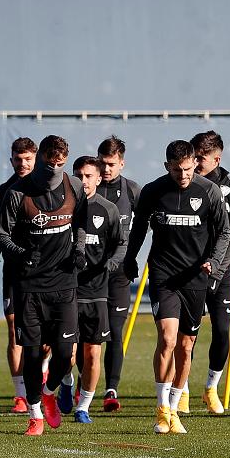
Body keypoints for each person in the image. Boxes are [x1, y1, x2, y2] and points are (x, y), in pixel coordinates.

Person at [124, 140, 230, 435]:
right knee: (168, 339)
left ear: (195, 163)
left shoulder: (209, 191)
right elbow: (139, 228)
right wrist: (130, 259)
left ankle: (174, 407)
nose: (182, 175)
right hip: (164, 275)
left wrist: (214, 260)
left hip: (195, 278)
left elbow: (224, 231)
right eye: (176, 169)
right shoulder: (153, 191)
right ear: (166, 166)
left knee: (186, 346)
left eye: (187, 169)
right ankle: (160, 410)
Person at [0, 135, 86, 435]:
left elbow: (82, 220)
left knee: (64, 354)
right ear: (40, 160)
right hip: (29, 288)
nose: (55, 169)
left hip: (64, 284)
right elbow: (2, 236)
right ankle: (34, 414)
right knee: (32, 354)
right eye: (50, 164)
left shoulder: (73, 186)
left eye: (60, 164)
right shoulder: (17, 193)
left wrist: (80, 249)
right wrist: (23, 255)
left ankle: (49, 392)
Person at [186, 131, 230, 415]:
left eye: (200, 158)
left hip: (221, 274)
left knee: (223, 332)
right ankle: (181, 388)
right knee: (187, 335)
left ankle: (211, 387)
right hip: (189, 273)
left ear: (216, 159)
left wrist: (218, 269)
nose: (195, 162)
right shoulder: (186, 183)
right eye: (193, 156)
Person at [71, 156, 127, 423]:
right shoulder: (63, 205)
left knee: (93, 352)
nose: (83, 181)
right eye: (79, 175)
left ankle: (83, 406)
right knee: (66, 352)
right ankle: (66, 384)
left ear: (98, 178)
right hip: (67, 290)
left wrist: (113, 262)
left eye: (88, 176)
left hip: (96, 291)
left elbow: (121, 242)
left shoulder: (108, 209)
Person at [94, 136, 141, 413]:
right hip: (90, 273)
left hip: (120, 273)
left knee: (114, 330)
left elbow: (143, 224)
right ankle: (79, 386)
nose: (107, 169)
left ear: (121, 163)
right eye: (103, 163)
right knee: (86, 333)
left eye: (111, 164)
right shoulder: (86, 187)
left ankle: (111, 388)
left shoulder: (133, 191)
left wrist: (131, 256)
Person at [0, 137, 38, 413]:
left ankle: (40, 377)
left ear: (36, 159)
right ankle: (20, 394)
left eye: (28, 159)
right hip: (14, 268)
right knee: (13, 328)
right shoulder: (5, 189)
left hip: (43, 269)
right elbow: (2, 226)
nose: (23, 164)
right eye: (18, 159)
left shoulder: (48, 188)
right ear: (12, 160)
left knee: (43, 334)